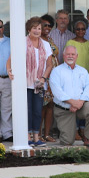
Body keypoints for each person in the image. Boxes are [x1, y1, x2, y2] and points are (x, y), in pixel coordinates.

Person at [49, 45, 89, 146]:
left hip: (81, 105)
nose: (70, 56)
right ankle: (67, 135)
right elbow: (57, 92)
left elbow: (88, 88)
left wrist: (79, 103)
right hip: (64, 109)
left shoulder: (83, 71)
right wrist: (72, 102)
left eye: (72, 54)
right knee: (67, 142)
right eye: (68, 54)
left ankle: (87, 137)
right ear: (63, 55)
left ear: (77, 56)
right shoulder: (56, 71)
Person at [19, 16, 54, 146]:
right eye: (34, 28)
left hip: (39, 83)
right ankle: (27, 137)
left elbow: (49, 64)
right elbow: (14, 60)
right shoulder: (22, 42)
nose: (37, 30)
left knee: (37, 110)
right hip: (25, 82)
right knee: (27, 110)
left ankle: (36, 138)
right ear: (29, 29)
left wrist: (43, 78)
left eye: (39, 28)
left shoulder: (45, 44)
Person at [66, 19, 89, 136]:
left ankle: (83, 128)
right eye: (78, 29)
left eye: (83, 29)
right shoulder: (70, 43)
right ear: (74, 30)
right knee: (75, 104)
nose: (80, 31)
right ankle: (75, 129)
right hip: (73, 78)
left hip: (86, 79)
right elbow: (67, 60)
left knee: (85, 104)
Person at [39, 14, 59, 142]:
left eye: (49, 25)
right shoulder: (37, 40)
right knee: (41, 106)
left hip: (53, 77)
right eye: (44, 25)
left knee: (51, 105)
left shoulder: (50, 39)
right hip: (43, 76)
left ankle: (47, 134)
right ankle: (38, 134)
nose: (47, 27)